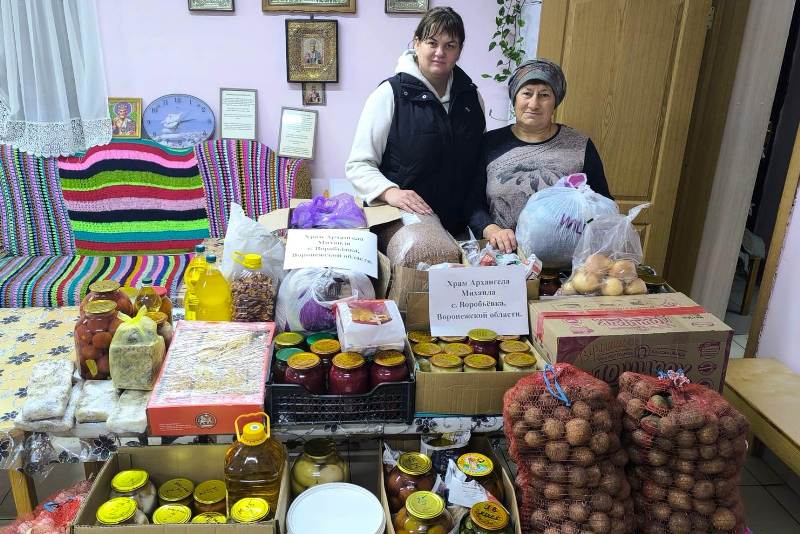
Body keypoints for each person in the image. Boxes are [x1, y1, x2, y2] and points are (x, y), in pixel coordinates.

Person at [345, 7, 485, 266]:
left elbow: (477, 165)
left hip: (459, 218)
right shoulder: (389, 95)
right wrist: (389, 192)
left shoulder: (471, 98)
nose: (440, 52)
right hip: (404, 218)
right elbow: (358, 165)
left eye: (450, 45)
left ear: (459, 50)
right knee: (428, 254)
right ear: (417, 43)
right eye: (432, 43)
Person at [468, 59, 613, 253]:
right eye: (527, 93)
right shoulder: (489, 144)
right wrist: (491, 229)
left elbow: (602, 203)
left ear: (555, 102)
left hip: (566, 260)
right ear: (515, 99)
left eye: (544, 95)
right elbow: (472, 203)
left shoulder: (579, 146)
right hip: (502, 256)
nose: (534, 103)